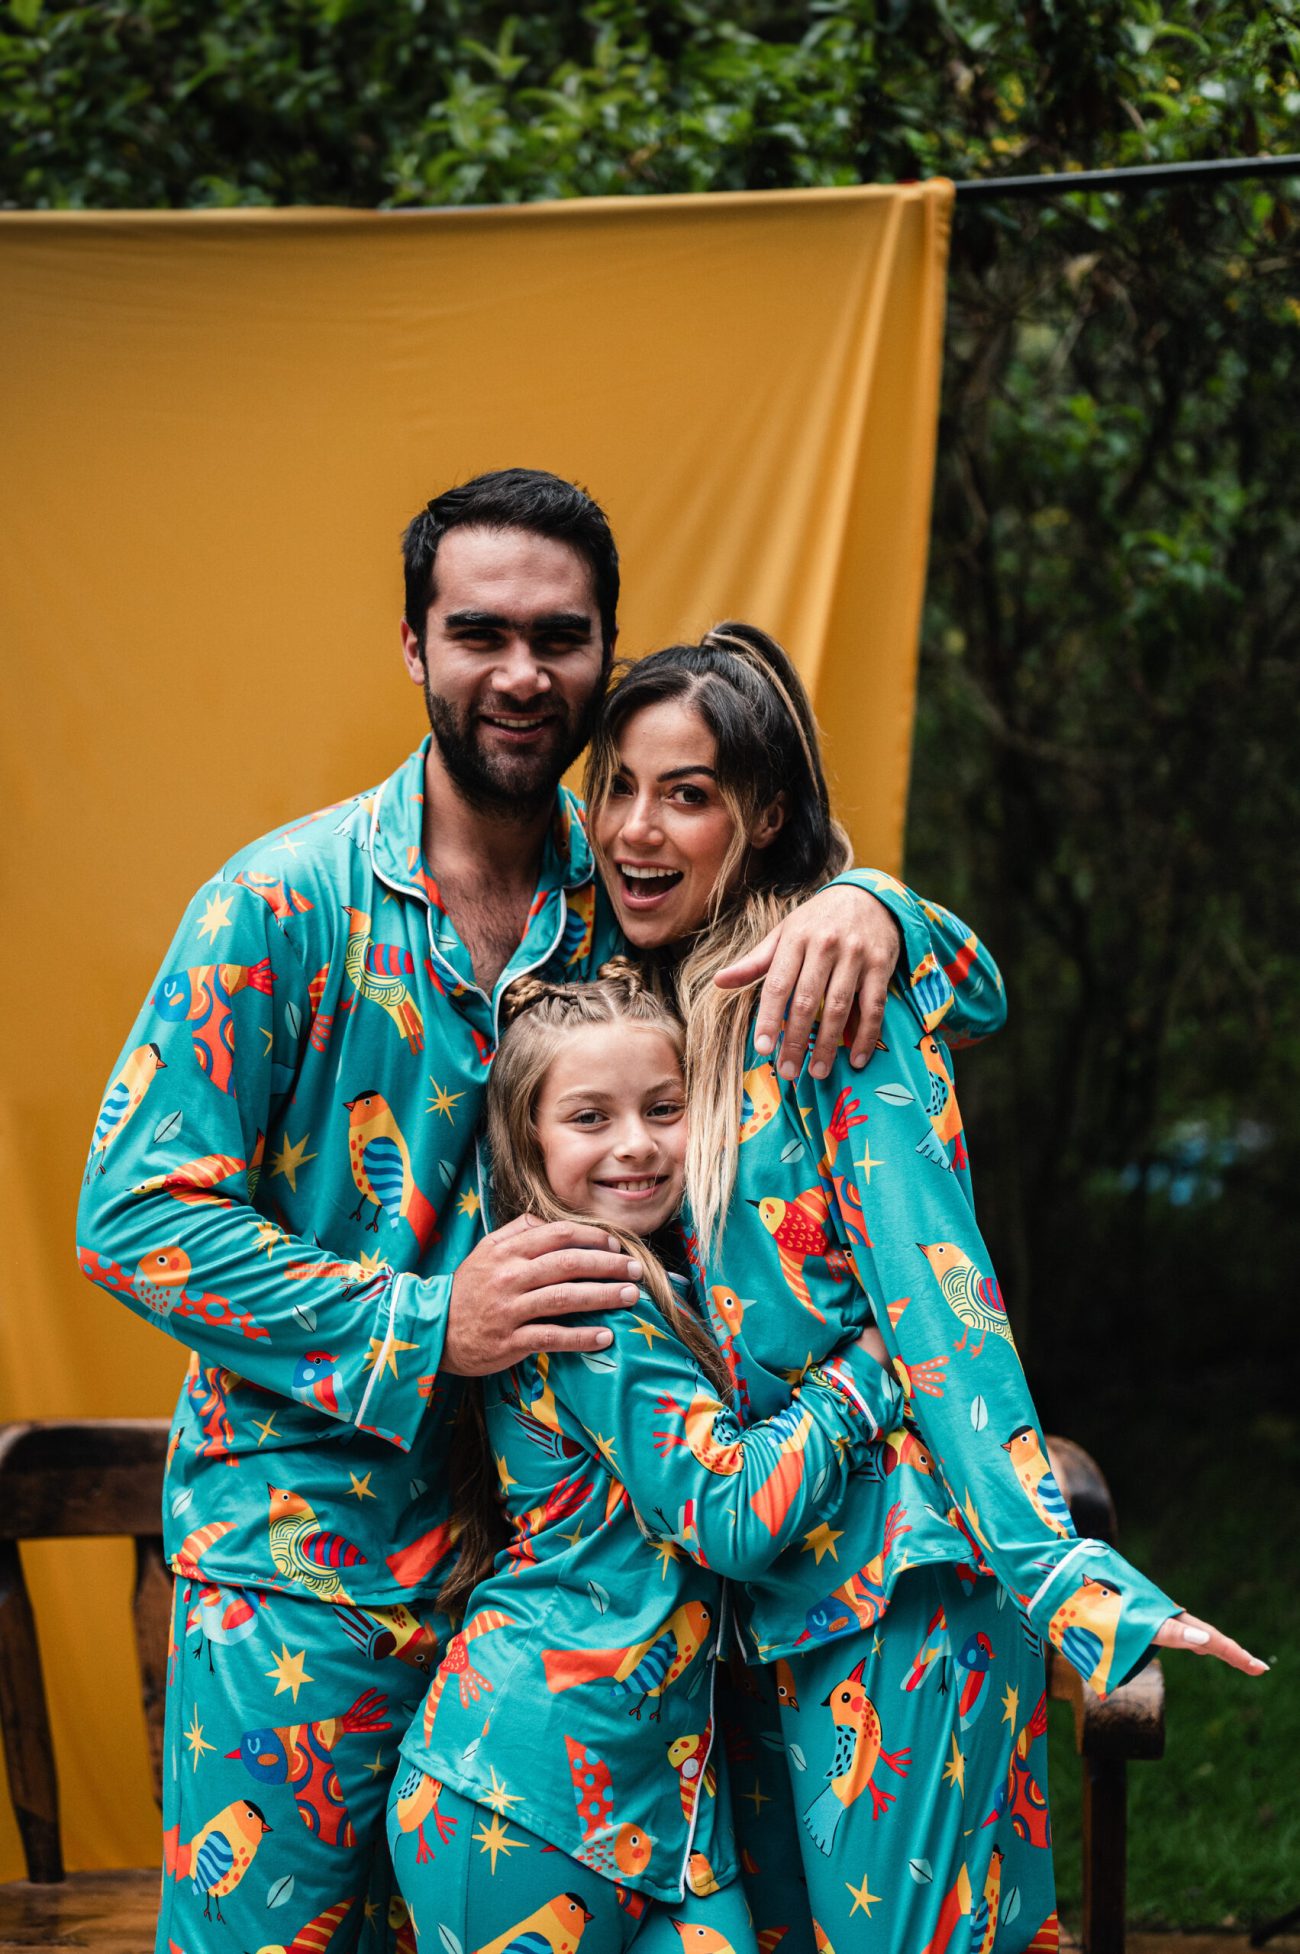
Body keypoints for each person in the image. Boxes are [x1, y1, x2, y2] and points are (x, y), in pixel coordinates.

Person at [76, 473, 928, 1954]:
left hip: (574, 1614)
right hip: (309, 1578)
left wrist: (888, 910)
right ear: (414, 648)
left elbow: (865, 964)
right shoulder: (282, 904)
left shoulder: (639, 900)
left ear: (607, 651)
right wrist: (428, 1323)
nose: (524, 674)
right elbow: (133, 1211)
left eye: (562, 635)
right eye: (480, 632)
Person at [586, 623, 1267, 1953]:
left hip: (896, 1587)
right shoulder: (635, 1000)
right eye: (617, 783)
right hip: (743, 1610)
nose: (637, 825)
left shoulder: (831, 1001)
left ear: (767, 814)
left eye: (689, 790)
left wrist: (1064, 1567)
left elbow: (942, 1306)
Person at [387, 964, 902, 1949]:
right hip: (517, 1794)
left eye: (662, 1107)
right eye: (589, 1116)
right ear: (528, 1140)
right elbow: (732, 1514)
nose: (636, 1143)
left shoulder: (674, 1276)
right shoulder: (589, 1295)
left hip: (667, 1800)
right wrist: (868, 1368)